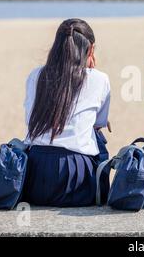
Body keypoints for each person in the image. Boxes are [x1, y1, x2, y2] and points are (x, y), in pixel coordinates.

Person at [23, 18, 111, 207]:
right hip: (76, 180)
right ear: (91, 50)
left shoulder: (35, 75)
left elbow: (29, 120)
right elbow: (98, 124)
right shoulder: (99, 79)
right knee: (98, 139)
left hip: (35, 178)